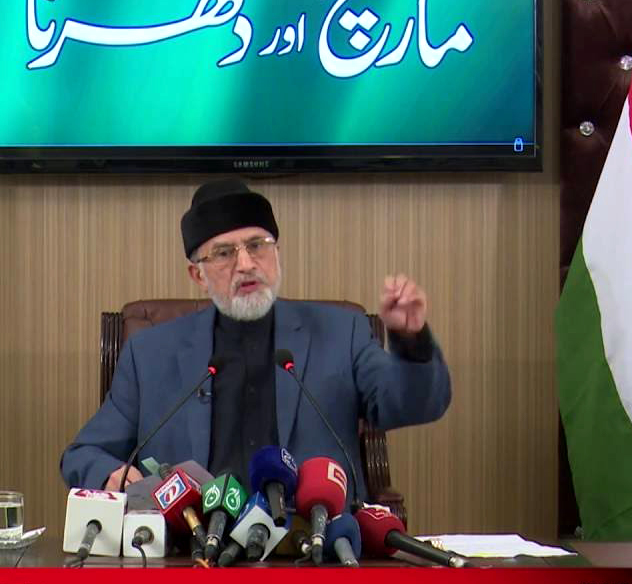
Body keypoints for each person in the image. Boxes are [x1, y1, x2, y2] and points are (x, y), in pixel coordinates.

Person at [59, 179, 452, 505]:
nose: (245, 264)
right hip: (191, 552)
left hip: (313, 549)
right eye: (223, 253)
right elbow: (83, 455)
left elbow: (415, 404)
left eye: (257, 245)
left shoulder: (340, 333)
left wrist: (411, 340)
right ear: (198, 276)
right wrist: (111, 475)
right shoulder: (150, 354)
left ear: (277, 253)